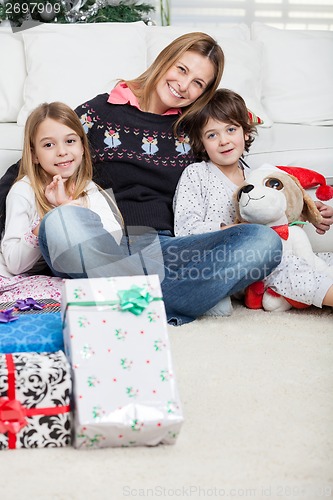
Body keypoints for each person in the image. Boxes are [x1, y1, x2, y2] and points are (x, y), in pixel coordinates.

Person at [0, 32, 321, 324]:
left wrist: (306, 206)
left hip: (166, 249)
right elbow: (34, 160)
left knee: (263, 242)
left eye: (198, 83)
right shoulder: (101, 111)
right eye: (182, 70)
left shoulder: (192, 131)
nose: (185, 85)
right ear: (165, 60)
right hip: (96, 240)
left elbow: (234, 174)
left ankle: (118, 297)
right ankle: (171, 299)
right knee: (60, 222)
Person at [173, 88, 333, 312]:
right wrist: (234, 230)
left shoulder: (257, 176)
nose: (223, 141)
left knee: (322, 260)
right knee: (287, 268)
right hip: (231, 261)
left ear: (245, 132)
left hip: (268, 254)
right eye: (212, 135)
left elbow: (281, 212)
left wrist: (310, 212)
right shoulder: (197, 174)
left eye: (231, 129)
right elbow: (184, 229)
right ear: (201, 142)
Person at [0, 102, 122, 301]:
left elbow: (113, 241)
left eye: (70, 141)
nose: (62, 151)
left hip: (86, 271)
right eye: (49, 145)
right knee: (60, 219)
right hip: (37, 276)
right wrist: (50, 220)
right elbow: (14, 264)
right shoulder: (23, 191)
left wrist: (76, 213)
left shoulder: (88, 188)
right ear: (34, 155)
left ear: (83, 147)